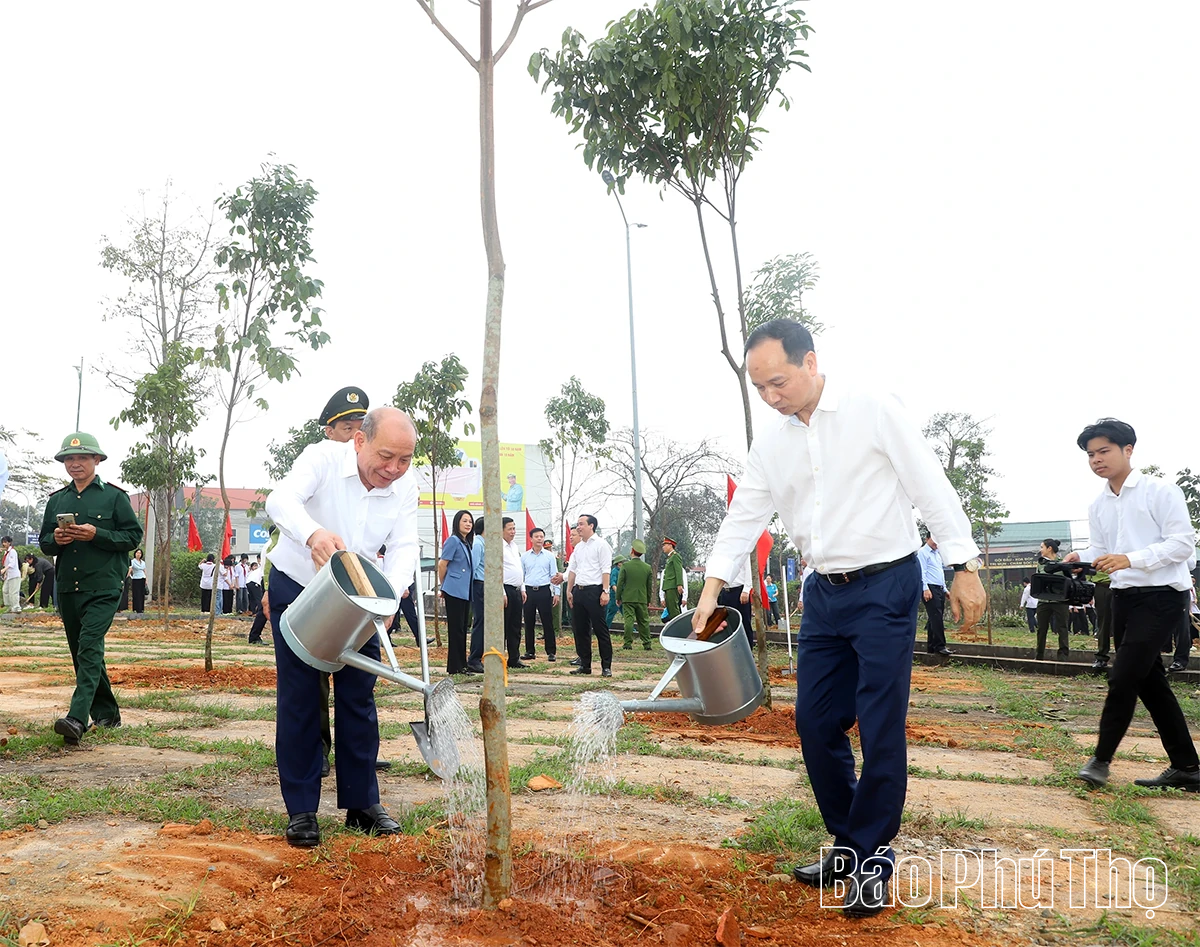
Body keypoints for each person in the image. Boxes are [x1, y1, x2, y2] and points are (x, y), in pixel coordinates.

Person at [694, 320, 985, 917]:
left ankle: (873, 860)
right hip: (823, 593)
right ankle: (848, 844)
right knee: (814, 720)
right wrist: (713, 585)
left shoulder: (872, 408)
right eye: (760, 388)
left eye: (778, 382)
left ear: (811, 362)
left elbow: (930, 484)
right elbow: (744, 516)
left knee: (880, 723)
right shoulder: (772, 444)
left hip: (886, 585)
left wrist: (963, 562)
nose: (772, 397)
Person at [265, 406, 419, 846]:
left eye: (404, 460)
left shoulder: (405, 485)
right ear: (358, 441)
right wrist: (313, 533)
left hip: (360, 595)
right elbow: (281, 500)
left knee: (359, 693)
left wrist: (394, 592)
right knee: (300, 696)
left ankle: (362, 803)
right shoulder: (321, 459)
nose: (393, 469)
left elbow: (406, 543)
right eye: (386, 456)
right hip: (299, 585)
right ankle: (301, 811)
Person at [1066, 419, 1198, 792]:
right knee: (1149, 682)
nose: (1096, 460)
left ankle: (1100, 760)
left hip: (1161, 596)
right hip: (1123, 598)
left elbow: (1182, 545)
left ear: (1128, 450)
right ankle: (1188, 767)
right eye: (1091, 454)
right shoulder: (1099, 503)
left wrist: (1131, 559)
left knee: (1123, 675)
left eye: (1103, 451)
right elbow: (1105, 550)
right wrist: (1082, 555)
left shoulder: (1160, 491)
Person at [39, 432, 143, 745]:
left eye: (82, 458)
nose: (75, 464)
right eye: (69, 459)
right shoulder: (57, 500)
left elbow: (132, 538)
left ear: (96, 460)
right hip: (68, 588)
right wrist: (55, 541)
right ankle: (108, 715)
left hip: (104, 586)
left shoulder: (114, 497)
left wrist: (97, 533)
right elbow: (45, 541)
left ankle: (76, 717)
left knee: (88, 645)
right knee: (83, 653)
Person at [566, 514, 614, 678]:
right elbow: (573, 570)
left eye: (581, 524)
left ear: (591, 526)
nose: (578, 527)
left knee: (601, 630)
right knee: (580, 630)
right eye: (577, 524)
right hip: (579, 591)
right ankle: (585, 665)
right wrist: (569, 590)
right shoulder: (579, 547)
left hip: (595, 591)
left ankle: (606, 666)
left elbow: (605, 569)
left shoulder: (601, 545)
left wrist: (605, 591)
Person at [438, 509, 474, 674]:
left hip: (464, 591)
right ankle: (455, 667)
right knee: (456, 630)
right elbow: (442, 564)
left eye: (470, 521)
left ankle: (462, 664)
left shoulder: (466, 542)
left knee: (462, 629)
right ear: (457, 523)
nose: (468, 524)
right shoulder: (453, 540)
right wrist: (443, 585)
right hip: (454, 590)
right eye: (464, 521)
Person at [521, 526, 558, 661]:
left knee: (547, 621)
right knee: (529, 622)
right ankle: (530, 651)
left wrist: (557, 593)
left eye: (541, 536)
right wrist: (522, 590)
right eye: (536, 536)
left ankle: (551, 651)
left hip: (544, 591)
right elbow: (522, 576)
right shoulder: (524, 557)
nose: (539, 539)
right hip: (529, 592)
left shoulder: (549, 557)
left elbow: (554, 575)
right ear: (531, 539)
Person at [916, 534, 952, 656]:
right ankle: (940, 645)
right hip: (929, 588)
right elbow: (922, 572)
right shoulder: (923, 553)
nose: (936, 542)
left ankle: (932, 646)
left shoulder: (937, 554)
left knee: (935, 617)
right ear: (927, 539)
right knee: (936, 616)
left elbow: (939, 573)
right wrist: (925, 588)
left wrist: (945, 589)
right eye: (933, 539)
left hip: (939, 588)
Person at [1035, 539, 1071, 661]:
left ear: (1049, 548)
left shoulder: (1063, 564)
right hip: (1043, 601)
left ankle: (1063, 656)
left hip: (1060, 601)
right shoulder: (1040, 564)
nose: (1040, 550)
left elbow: (1069, 582)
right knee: (1041, 629)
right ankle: (1039, 656)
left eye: (1042, 547)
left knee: (1063, 628)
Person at [501, 517, 528, 669]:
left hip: (517, 590)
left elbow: (519, 568)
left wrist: (522, 588)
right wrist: (502, 592)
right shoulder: (498, 546)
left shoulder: (514, 546)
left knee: (515, 626)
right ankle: (499, 657)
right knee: (503, 626)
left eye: (514, 528)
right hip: (506, 590)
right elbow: (496, 571)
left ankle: (514, 658)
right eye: (510, 529)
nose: (513, 532)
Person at [616, 539, 654, 650]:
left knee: (629, 620)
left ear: (632, 550)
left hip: (628, 598)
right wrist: (648, 599)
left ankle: (627, 643)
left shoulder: (625, 566)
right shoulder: (647, 568)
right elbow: (649, 586)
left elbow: (620, 583)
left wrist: (618, 597)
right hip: (642, 598)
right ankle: (647, 644)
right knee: (644, 621)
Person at [716, 555, 755, 646]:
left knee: (744, 623)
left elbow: (748, 571)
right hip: (725, 591)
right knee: (726, 624)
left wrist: (746, 590)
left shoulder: (743, 549)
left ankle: (747, 652)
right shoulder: (722, 552)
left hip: (739, 591)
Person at [465, 517, 487, 674]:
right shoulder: (479, 544)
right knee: (479, 623)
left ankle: (479, 657)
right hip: (479, 586)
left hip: (484, 586)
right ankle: (474, 659)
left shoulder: (483, 542)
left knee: (484, 623)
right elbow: (473, 567)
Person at [1089, 568, 1113, 670]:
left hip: (1126, 585)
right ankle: (1101, 657)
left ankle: (1126, 657)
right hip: (1103, 585)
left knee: (1127, 622)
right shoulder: (1098, 552)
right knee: (1103, 622)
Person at [661, 538, 685, 619]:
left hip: (672, 586)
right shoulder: (670, 558)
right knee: (670, 609)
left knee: (674, 609)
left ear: (670, 545)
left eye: (664, 545)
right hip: (668, 587)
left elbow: (678, 571)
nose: (663, 547)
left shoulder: (675, 556)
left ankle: (679, 628)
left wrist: (679, 584)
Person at [606, 553, 626, 627]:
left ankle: (631, 629)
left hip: (621, 595)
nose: (623, 563)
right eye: (622, 562)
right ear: (618, 563)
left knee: (625, 612)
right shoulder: (615, 571)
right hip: (615, 595)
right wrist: (618, 593)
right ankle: (606, 628)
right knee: (612, 612)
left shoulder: (622, 571)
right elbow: (613, 584)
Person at [1, 537, 20, 613]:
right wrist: (5, 573)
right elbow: (5, 564)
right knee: (5, 590)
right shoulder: (6, 552)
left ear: (9, 543)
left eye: (5, 542)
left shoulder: (13, 552)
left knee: (13, 592)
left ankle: (16, 607)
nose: (4, 544)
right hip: (9, 575)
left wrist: (4, 570)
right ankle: (9, 606)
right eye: (3, 542)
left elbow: (12, 563)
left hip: (14, 575)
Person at [128, 549, 148, 614]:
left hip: (142, 578)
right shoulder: (132, 561)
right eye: (137, 553)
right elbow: (130, 569)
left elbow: (144, 571)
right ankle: (136, 608)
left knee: (142, 594)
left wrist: (146, 579)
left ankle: (141, 609)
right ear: (135, 553)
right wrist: (128, 576)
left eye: (140, 553)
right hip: (136, 579)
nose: (138, 554)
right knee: (136, 594)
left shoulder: (143, 562)